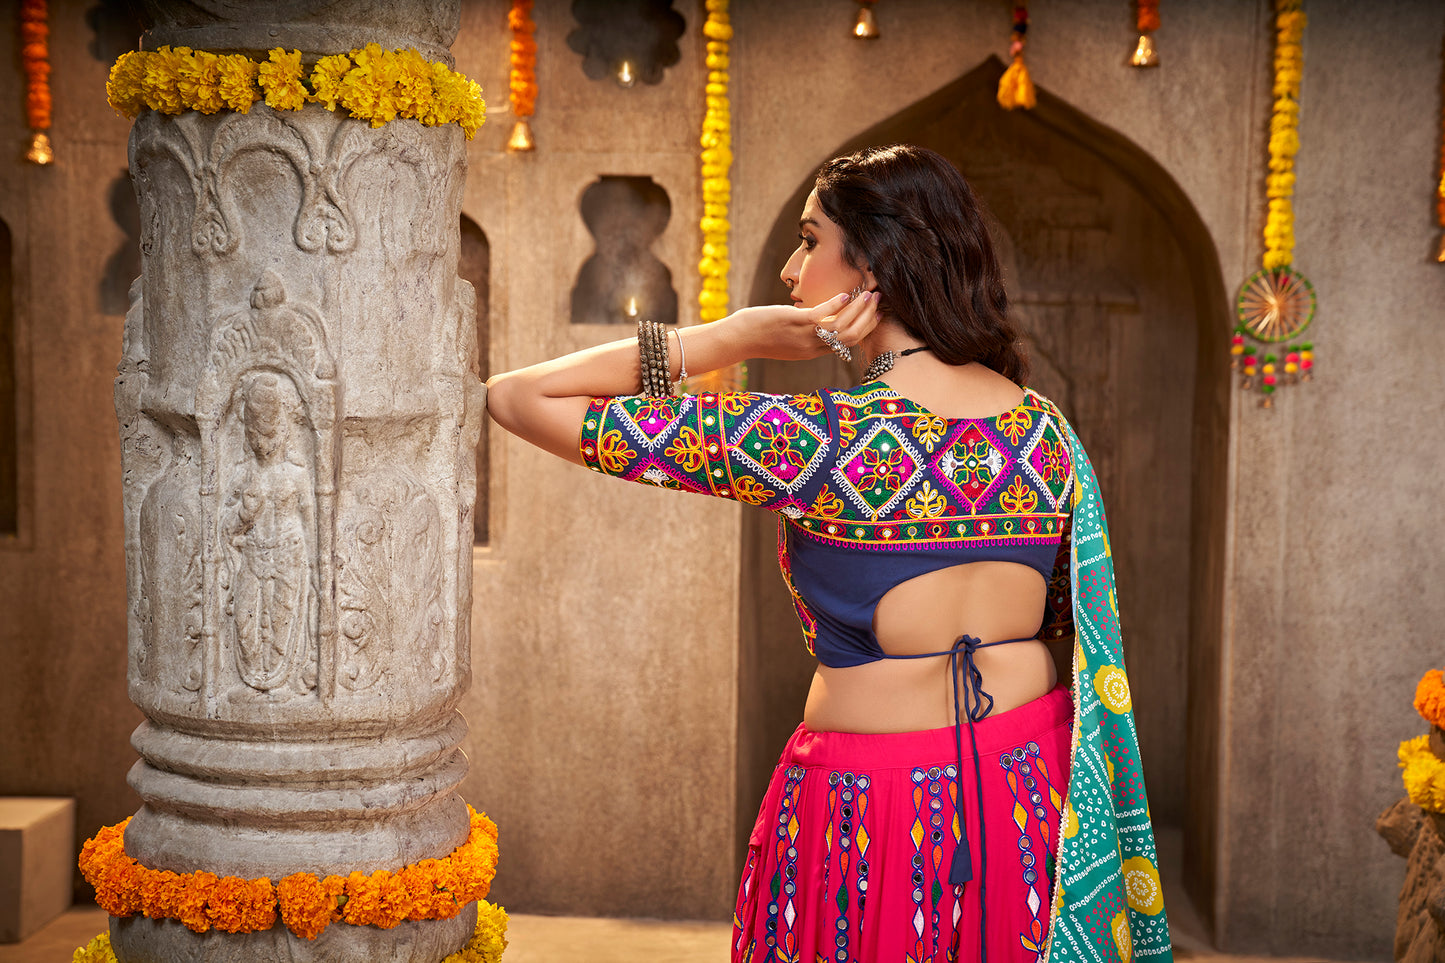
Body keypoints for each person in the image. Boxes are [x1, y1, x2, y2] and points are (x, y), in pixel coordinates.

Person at [486, 145, 1172, 963]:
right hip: (1034, 800)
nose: (787, 267)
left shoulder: (811, 439)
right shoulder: (1044, 433)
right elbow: (1063, 617)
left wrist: (730, 338)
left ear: (873, 262)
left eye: (809, 241)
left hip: (867, 812)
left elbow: (517, 398)